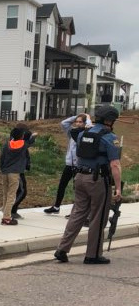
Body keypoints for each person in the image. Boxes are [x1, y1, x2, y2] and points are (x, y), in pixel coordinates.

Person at [54, 106, 122, 264]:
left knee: (77, 214)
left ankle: (62, 249)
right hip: (98, 179)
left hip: (79, 177)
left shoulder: (82, 133)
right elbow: (115, 165)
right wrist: (118, 187)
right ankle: (93, 255)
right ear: (109, 121)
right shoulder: (110, 137)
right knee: (98, 217)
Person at [45, 114, 92, 214]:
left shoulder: (87, 133)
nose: (78, 123)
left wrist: (87, 118)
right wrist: (77, 116)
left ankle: (76, 211)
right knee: (62, 185)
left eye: (80, 122)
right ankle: (56, 207)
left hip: (79, 165)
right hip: (69, 164)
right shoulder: (72, 132)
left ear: (84, 123)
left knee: (77, 189)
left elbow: (89, 127)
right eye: (77, 122)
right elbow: (64, 123)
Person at [0, 127, 35, 225]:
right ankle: (6, 218)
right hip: (14, 173)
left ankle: (5, 213)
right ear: (22, 136)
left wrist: (2, 169)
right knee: (11, 195)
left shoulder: (7, 144)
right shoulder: (23, 145)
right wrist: (34, 136)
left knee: (5, 193)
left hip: (5, 172)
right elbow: (31, 141)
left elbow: (2, 158)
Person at [11, 123, 34, 219]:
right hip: (17, 169)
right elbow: (29, 141)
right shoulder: (19, 143)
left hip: (17, 169)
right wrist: (32, 137)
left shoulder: (15, 140)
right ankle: (10, 209)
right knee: (22, 191)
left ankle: (11, 209)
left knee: (16, 191)